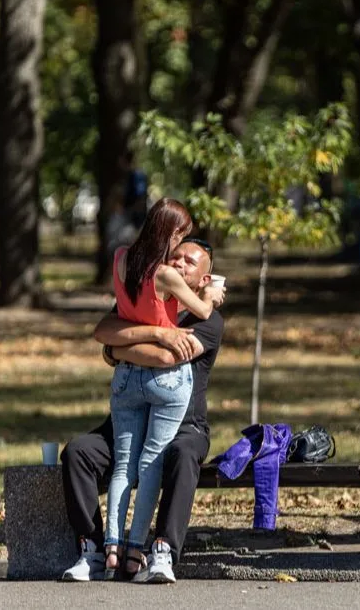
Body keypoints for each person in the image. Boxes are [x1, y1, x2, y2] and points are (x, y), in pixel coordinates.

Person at [60, 238, 224, 584]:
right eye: (175, 256)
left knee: (183, 455)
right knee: (79, 453)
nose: (179, 263)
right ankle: (92, 549)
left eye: (190, 262)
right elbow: (104, 331)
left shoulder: (208, 320)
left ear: (204, 281)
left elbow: (169, 357)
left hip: (182, 426)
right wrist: (152, 335)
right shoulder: (140, 300)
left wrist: (119, 351)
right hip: (130, 420)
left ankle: (163, 551)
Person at [103, 199, 224, 581]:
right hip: (162, 381)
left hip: (126, 376)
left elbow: (113, 329)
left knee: (125, 463)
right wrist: (210, 297)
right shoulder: (165, 277)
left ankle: (110, 546)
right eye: (181, 240)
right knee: (149, 462)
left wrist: (118, 349)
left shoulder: (123, 259)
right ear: (171, 233)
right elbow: (200, 317)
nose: (179, 252)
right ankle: (136, 550)